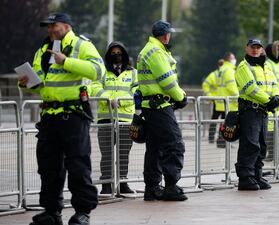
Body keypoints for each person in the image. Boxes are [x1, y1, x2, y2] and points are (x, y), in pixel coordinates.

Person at [18, 13, 105, 225]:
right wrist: (25, 83)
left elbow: (98, 71)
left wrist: (67, 62)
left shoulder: (81, 45)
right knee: (48, 167)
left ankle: (82, 213)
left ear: (66, 25)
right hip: (49, 116)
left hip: (73, 114)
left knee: (78, 165)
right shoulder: (42, 50)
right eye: (47, 27)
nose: (49, 30)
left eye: (53, 25)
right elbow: (40, 84)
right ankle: (51, 212)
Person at [136, 20, 188, 201]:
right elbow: (167, 80)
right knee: (174, 144)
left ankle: (151, 188)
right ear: (166, 35)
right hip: (160, 107)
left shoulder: (147, 50)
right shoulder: (156, 52)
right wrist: (181, 97)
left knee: (155, 148)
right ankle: (171, 186)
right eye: (169, 34)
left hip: (150, 106)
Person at [91, 41, 138, 194]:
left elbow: (137, 92)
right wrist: (108, 99)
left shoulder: (133, 73)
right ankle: (106, 183)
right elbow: (95, 88)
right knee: (106, 154)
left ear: (124, 55)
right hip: (106, 118)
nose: (116, 56)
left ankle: (123, 182)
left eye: (119, 53)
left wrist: (120, 101)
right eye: (113, 53)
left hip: (125, 120)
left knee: (124, 152)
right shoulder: (102, 72)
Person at [235, 39, 279, 190]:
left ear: (262, 49)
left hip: (263, 111)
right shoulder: (243, 66)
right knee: (250, 144)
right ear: (246, 48)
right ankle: (245, 178)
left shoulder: (266, 67)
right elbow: (250, 88)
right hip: (250, 110)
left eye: (258, 47)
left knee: (261, 145)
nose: (255, 50)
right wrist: (269, 100)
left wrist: (277, 97)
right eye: (252, 47)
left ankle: (256, 175)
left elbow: (275, 85)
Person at [202, 53, 239, 147]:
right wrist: (238, 98)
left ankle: (220, 140)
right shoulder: (229, 70)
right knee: (225, 123)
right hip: (228, 101)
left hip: (220, 101)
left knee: (220, 122)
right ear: (229, 59)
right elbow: (232, 87)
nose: (235, 59)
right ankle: (222, 140)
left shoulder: (221, 70)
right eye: (233, 58)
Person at [265, 40, 279, 114]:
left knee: (277, 124)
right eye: (277, 49)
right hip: (272, 101)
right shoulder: (267, 65)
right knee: (270, 124)